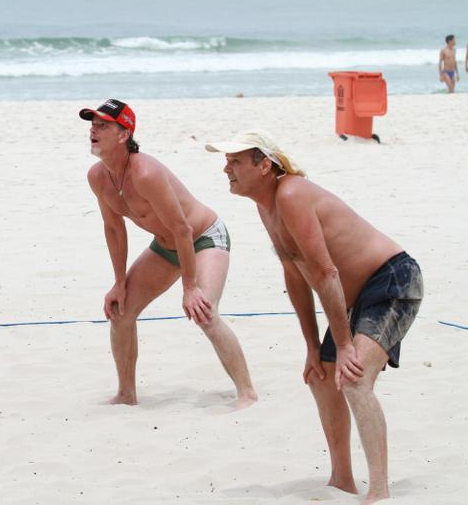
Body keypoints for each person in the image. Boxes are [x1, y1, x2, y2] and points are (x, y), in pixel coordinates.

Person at [206, 130, 423, 504]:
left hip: (392, 279)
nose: (226, 168)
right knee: (320, 377)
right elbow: (296, 276)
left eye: (235, 161)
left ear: (264, 165)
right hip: (357, 295)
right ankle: (342, 480)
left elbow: (326, 273)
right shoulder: (267, 205)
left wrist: (343, 345)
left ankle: (381, 491)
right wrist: (312, 346)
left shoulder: (290, 193)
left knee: (354, 379)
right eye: (226, 161)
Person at [80, 99, 257, 408]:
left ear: (124, 135)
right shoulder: (98, 177)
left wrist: (190, 287)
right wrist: (119, 282)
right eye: (92, 125)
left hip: (203, 238)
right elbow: (114, 230)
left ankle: (247, 392)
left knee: (205, 312)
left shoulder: (145, 173)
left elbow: (184, 229)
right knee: (120, 312)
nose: (94, 130)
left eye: (103, 125)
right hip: (167, 246)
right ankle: (126, 394)